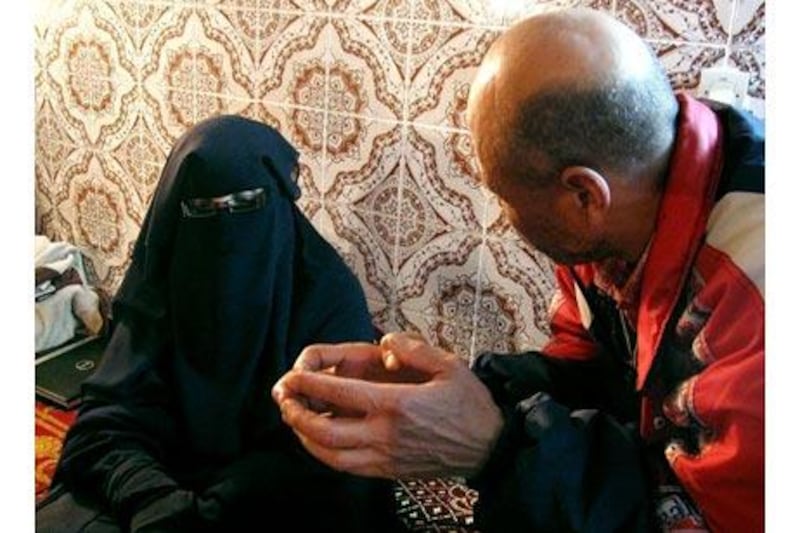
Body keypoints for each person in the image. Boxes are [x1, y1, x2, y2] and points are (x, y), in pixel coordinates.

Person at [272, 7, 764, 532]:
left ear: (582, 194)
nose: (506, 221)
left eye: (505, 197)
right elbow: (587, 372)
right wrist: (446, 391)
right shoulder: (628, 199)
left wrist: (494, 446)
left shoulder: (756, 296)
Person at [36, 115, 400, 532]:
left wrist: (210, 510)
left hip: (275, 493)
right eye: (205, 210)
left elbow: (335, 444)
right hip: (164, 477)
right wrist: (151, 496)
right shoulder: (160, 285)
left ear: (280, 203)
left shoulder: (326, 292)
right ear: (175, 214)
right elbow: (106, 421)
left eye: (248, 206)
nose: (229, 233)